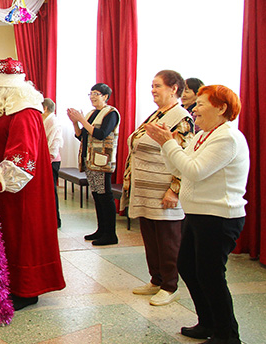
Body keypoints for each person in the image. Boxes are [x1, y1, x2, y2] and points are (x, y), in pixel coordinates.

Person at [145, 85, 249, 344]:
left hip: (219, 217)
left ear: (221, 108)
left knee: (211, 275)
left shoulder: (227, 138)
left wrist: (168, 143)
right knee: (188, 266)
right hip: (199, 215)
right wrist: (167, 145)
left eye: (201, 103)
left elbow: (195, 170)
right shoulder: (203, 135)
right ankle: (208, 322)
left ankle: (228, 338)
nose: (194, 109)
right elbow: (178, 167)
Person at [0, 59, 65, 310]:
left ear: (9, 89)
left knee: (19, 235)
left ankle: (26, 288)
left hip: (21, 191)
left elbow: (23, 157)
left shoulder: (25, 112)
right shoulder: (2, 111)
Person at [121, 71, 194, 306]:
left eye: (158, 86)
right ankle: (156, 280)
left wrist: (174, 189)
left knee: (167, 241)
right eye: (152, 86)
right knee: (151, 239)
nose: (153, 90)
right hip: (146, 190)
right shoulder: (157, 114)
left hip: (163, 190)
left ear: (174, 89)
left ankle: (170, 286)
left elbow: (184, 156)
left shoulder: (181, 118)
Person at [67, 83, 120, 246]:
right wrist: (75, 123)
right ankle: (101, 230)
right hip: (89, 160)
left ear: (105, 96)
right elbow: (81, 136)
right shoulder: (92, 113)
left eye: (96, 93)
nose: (92, 97)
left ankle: (110, 234)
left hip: (102, 162)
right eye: (91, 93)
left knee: (105, 196)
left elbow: (101, 134)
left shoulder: (111, 113)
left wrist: (82, 119)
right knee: (97, 195)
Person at [42, 98, 63, 228]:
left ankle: (56, 220)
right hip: (45, 160)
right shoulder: (46, 120)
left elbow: (54, 145)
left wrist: (46, 160)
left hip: (51, 160)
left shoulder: (53, 122)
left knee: (51, 191)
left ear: (44, 108)